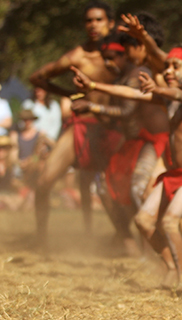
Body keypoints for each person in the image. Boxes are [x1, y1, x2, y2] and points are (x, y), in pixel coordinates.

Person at [73, 46, 182, 287]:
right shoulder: (167, 100)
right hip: (172, 175)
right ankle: (170, 267)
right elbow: (130, 94)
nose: (168, 71)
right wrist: (93, 87)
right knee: (143, 221)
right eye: (166, 66)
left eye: (174, 66)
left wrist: (157, 89)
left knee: (169, 222)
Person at [28, 0, 120, 248]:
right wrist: (67, 93)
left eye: (99, 19)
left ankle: (127, 240)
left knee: (115, 192)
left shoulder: (122, 53)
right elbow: (36, 76)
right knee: (44, 181)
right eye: (89, 20)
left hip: (115, 127)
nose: (93, 25)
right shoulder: (78, 55)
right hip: (82, 125)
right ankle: (41, 238)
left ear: (110, 23)